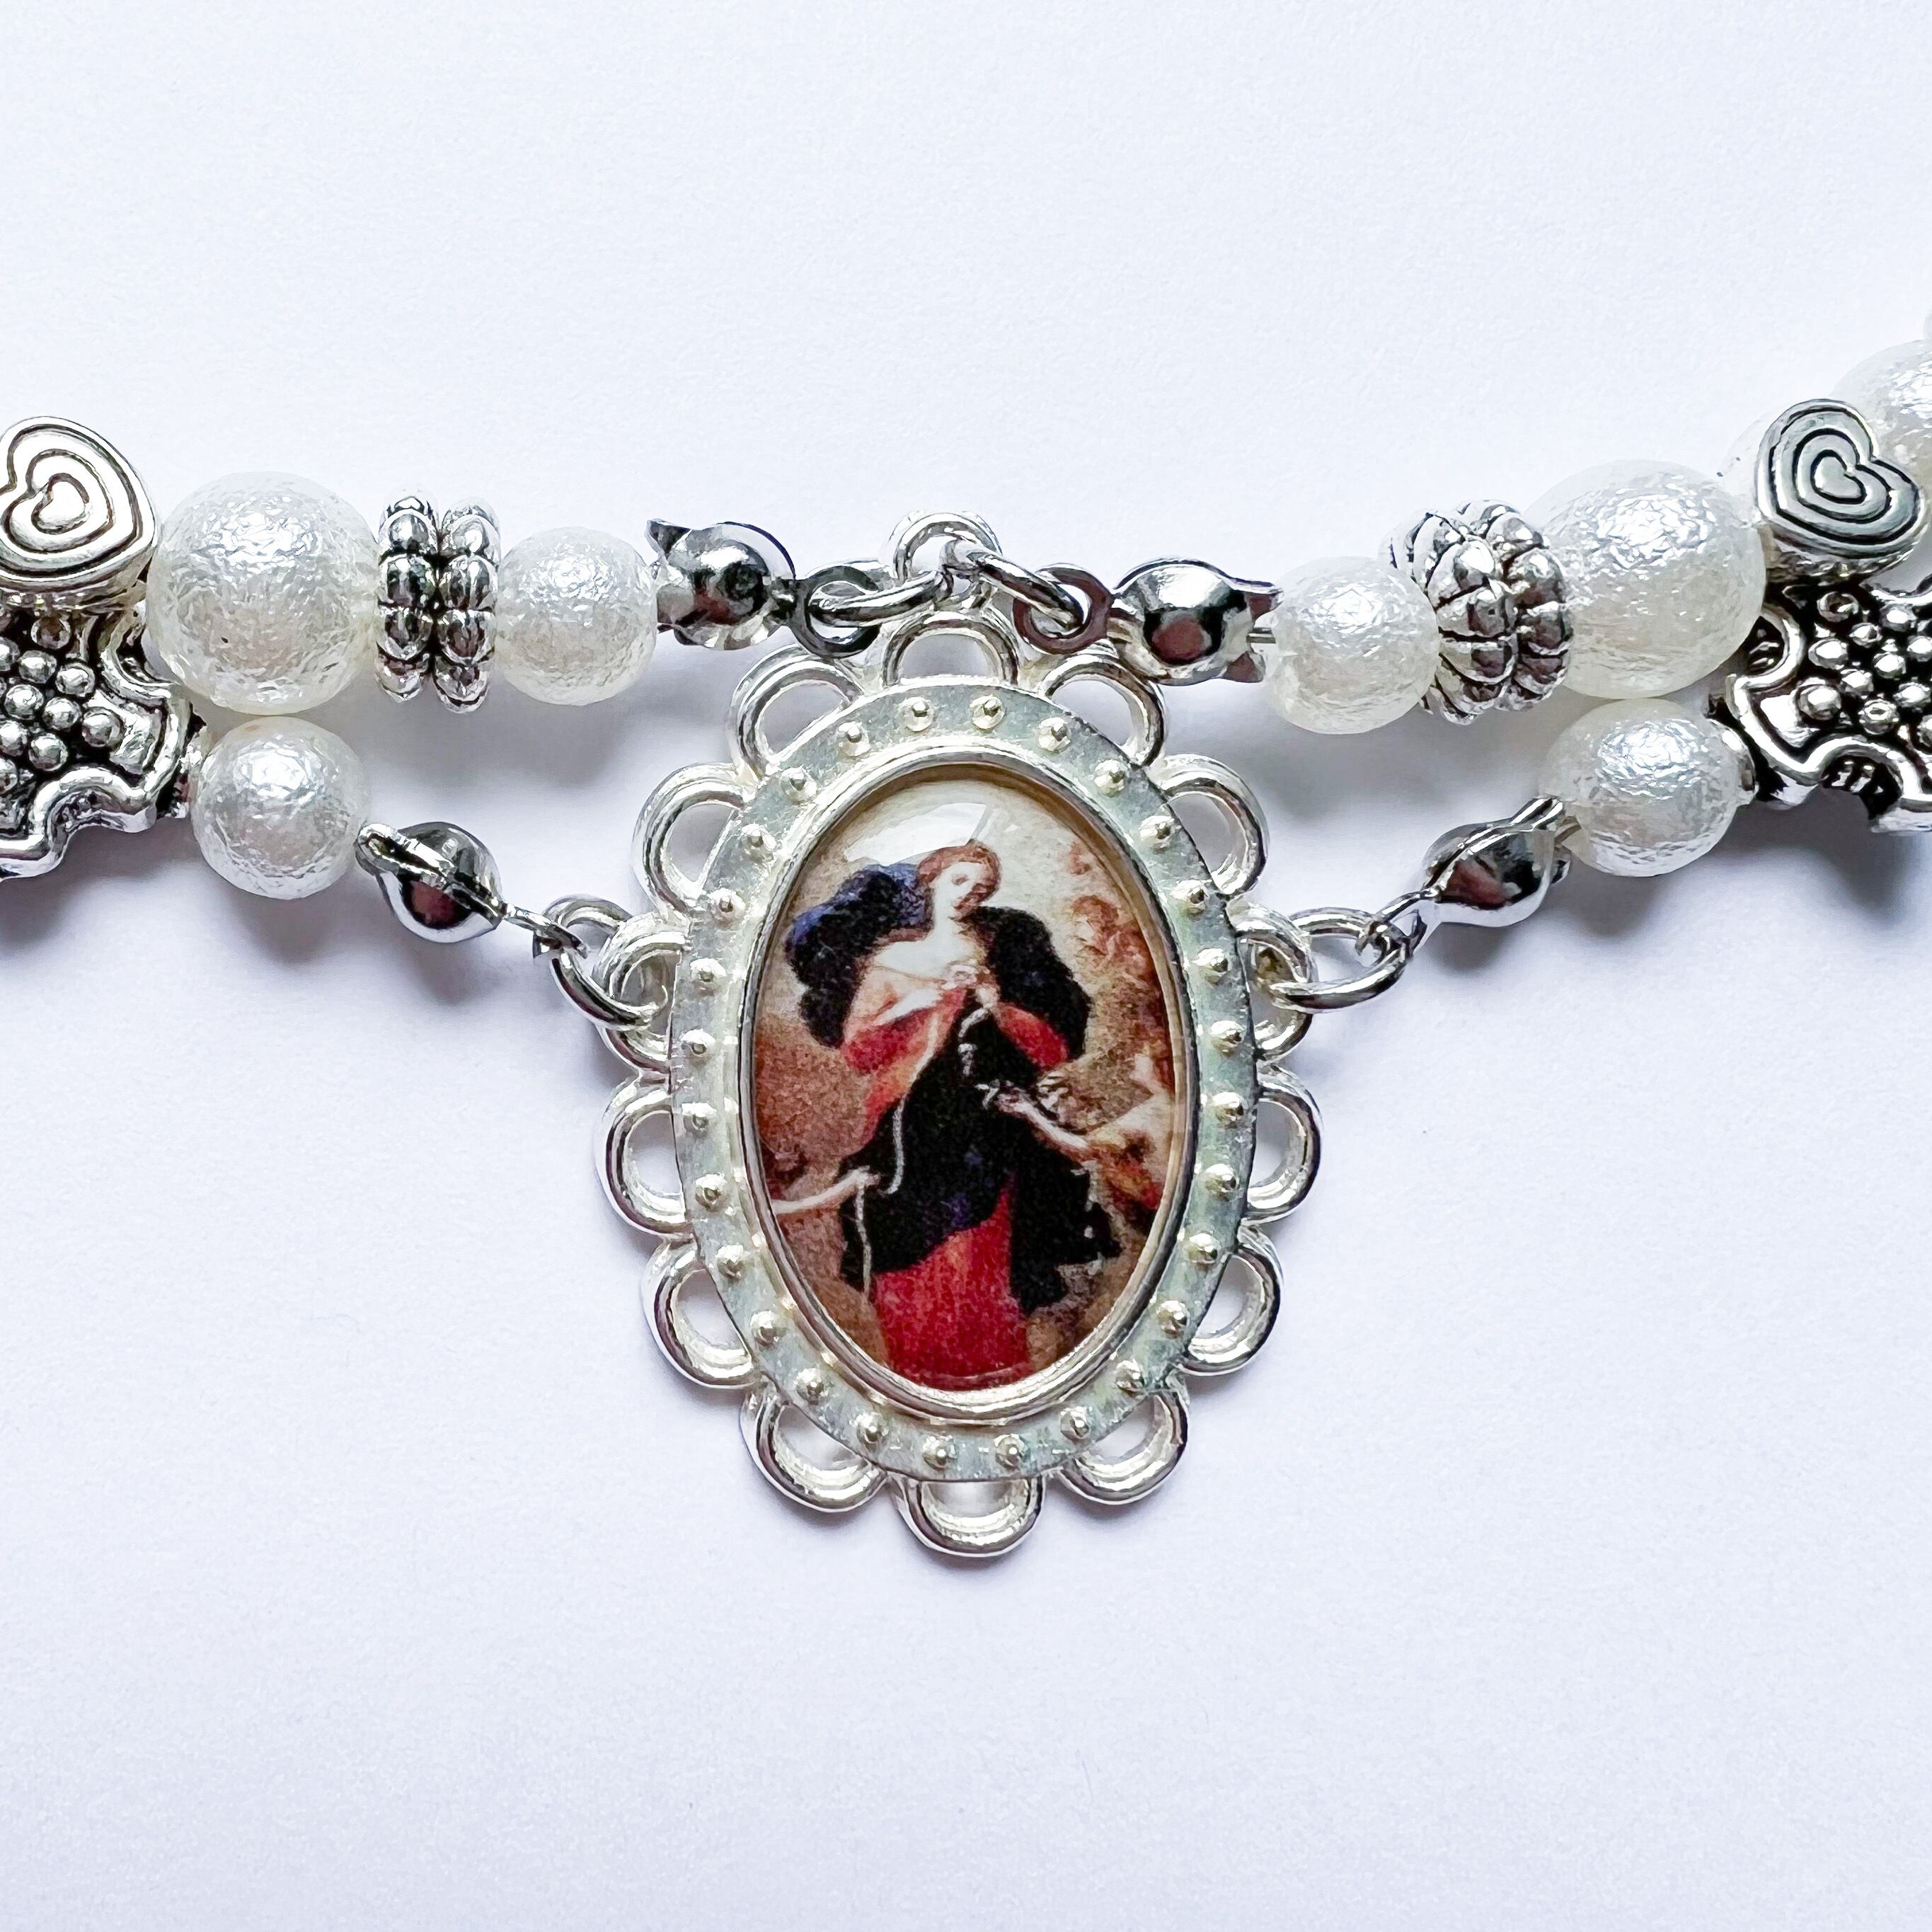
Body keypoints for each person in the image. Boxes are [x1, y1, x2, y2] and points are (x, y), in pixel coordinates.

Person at [781, 841, 1117, 1389]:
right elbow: (858, 1051)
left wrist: (993, 999)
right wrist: (914, 1003)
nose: (969, 896)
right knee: (908, 1242)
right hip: (905, 1125)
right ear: (932, 881)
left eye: (981, 889)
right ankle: (912, 1377)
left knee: (979, 1245)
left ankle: (992, 1373)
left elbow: (1047, 1048)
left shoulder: (1001, 957)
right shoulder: (894, 959)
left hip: (981, 1127)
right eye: (960, 881)